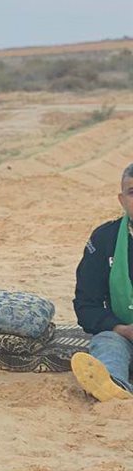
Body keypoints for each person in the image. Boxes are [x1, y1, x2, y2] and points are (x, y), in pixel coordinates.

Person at [70, 162, 133, 402]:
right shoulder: (104, 239)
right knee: (107, 343)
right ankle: (114, 388)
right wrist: (122, 329)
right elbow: (86, 304)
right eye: (132, 192)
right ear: (122, 200)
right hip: (125, 335)